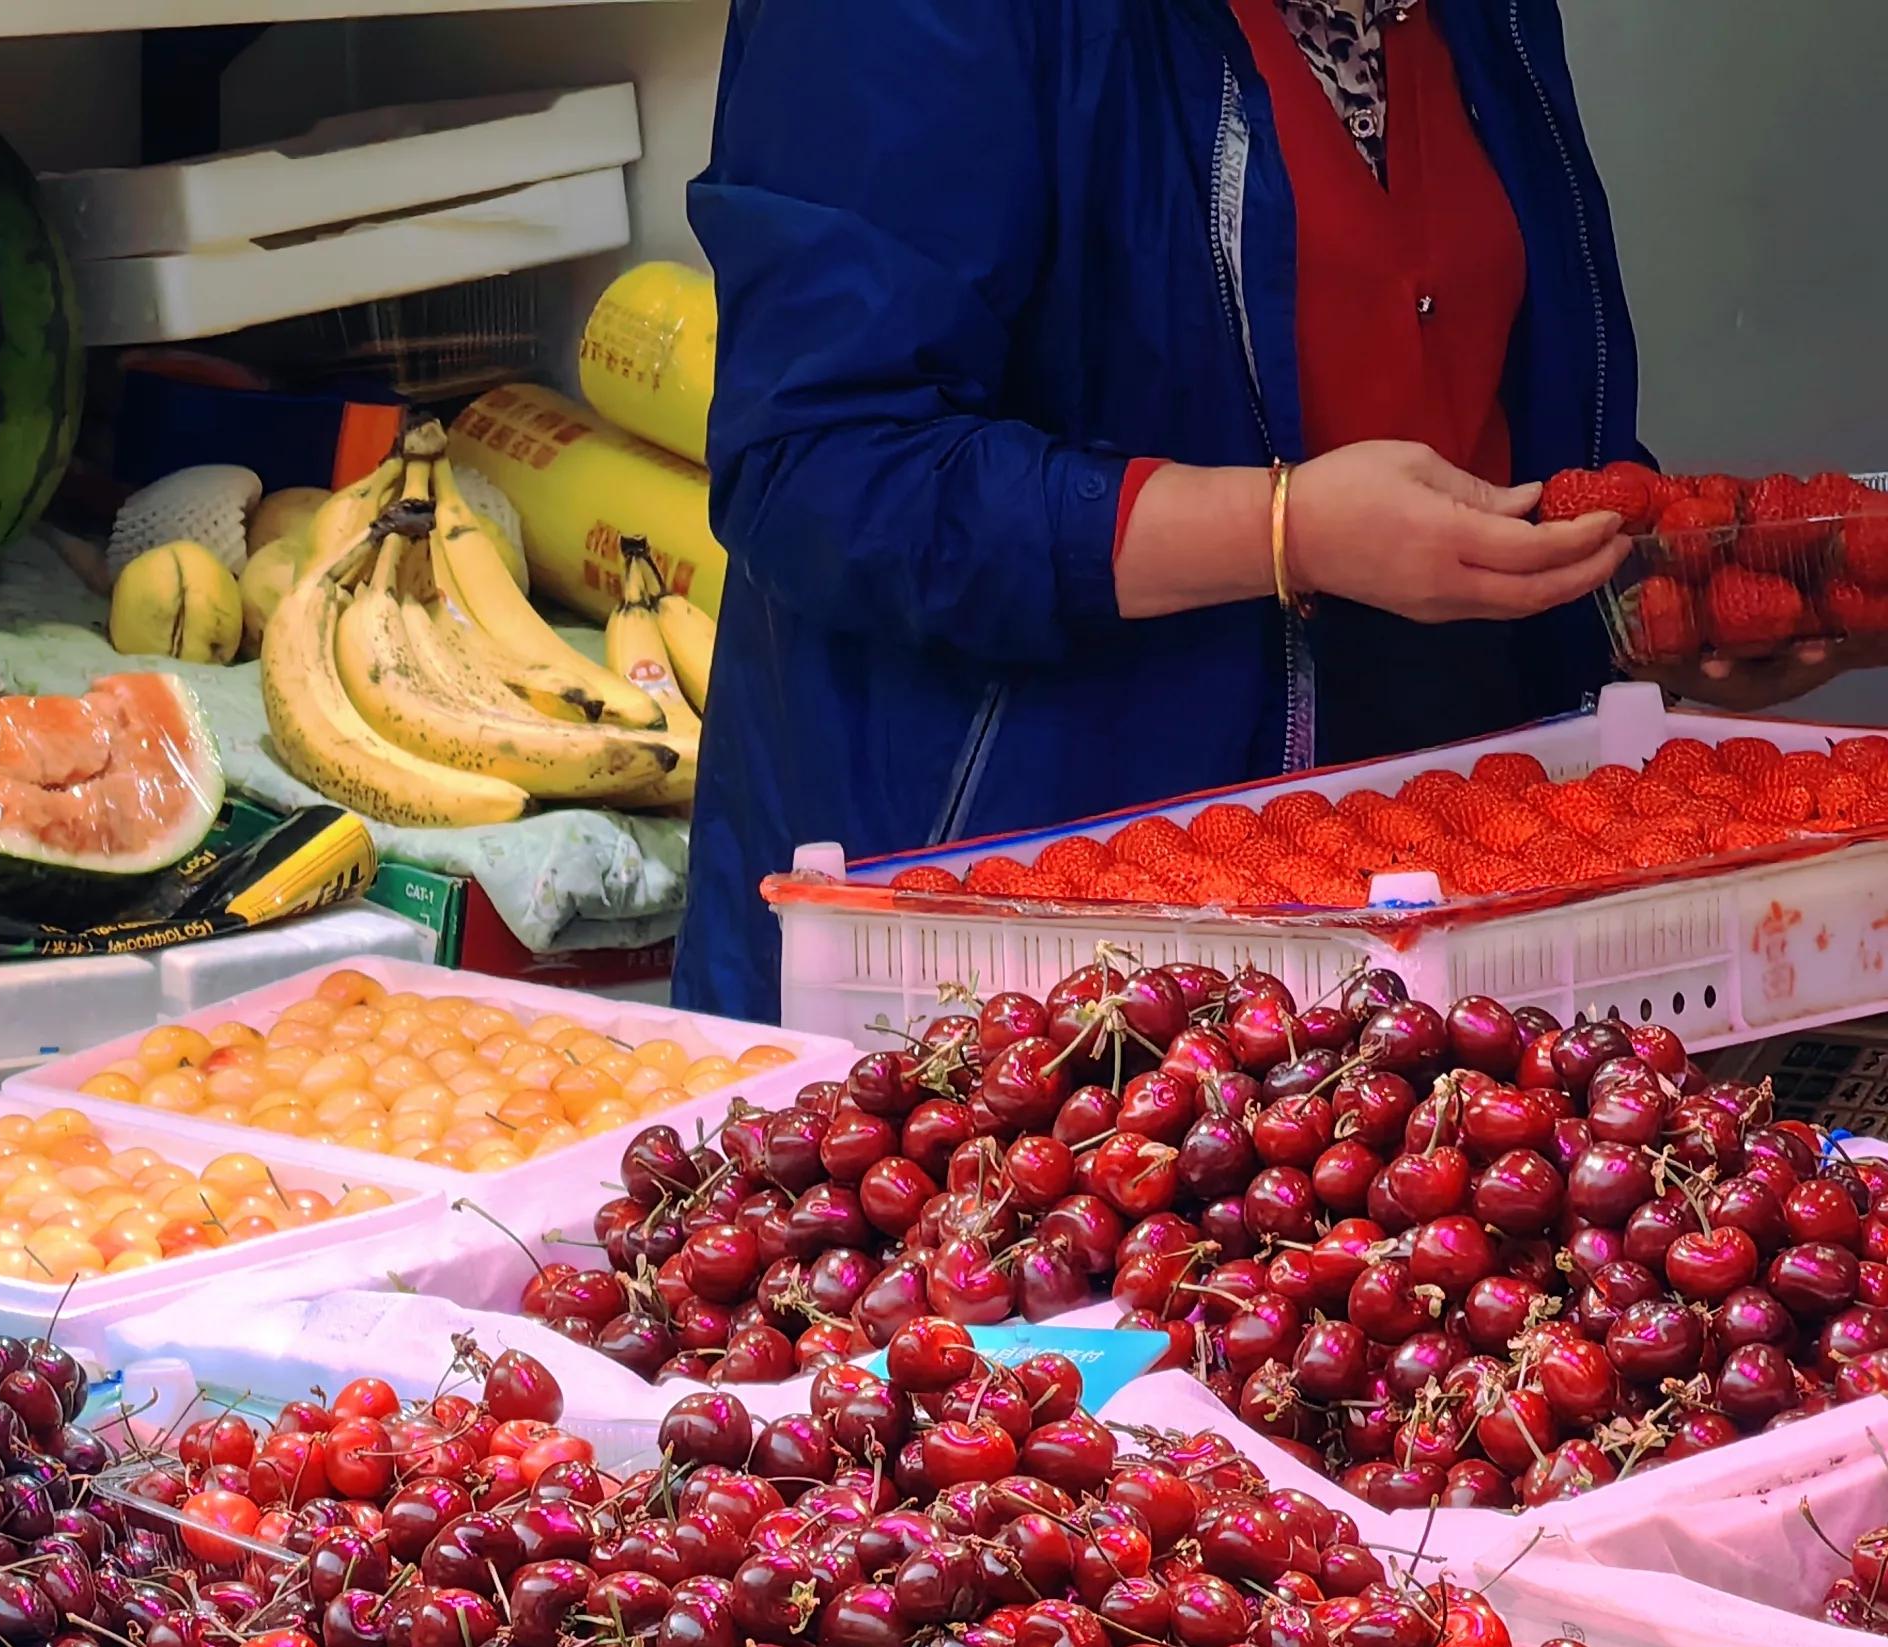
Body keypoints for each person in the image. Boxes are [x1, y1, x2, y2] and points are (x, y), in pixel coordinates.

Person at [673, 0, 1651, 1016]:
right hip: (1036, 958)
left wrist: (1640, 603)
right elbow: (824, 469)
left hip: (1451, 893)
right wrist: (1285, 531)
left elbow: (1486, 400)